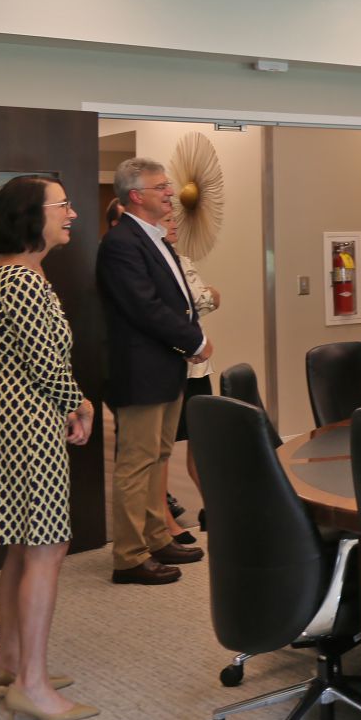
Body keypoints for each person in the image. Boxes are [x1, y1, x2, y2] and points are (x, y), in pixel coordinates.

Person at [0, 176, 99, 720]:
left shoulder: (9, 272)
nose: (71, 213)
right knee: (47, 547)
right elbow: (46, 366)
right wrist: (82, 403)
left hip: (9, 424)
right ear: (32, 214)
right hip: (28, 429)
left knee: (23, 548)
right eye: (62, 205)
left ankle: (7, 660)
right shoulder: (21, 281)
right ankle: (32, 684)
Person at [97, 158, 209, 586]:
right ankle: (128, 556)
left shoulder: (155, 238)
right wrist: (195, 341)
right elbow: (144, 307)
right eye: (161, 187)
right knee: (137, 462)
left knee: (159, 456)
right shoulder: (121, 243)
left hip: (165, 364)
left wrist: (187, 340)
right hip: (139, 369)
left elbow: (176, 300)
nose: (171, 193)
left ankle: (156, 536)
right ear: (135, 196)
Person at [160, 211, 220, 545]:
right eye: (167, 218)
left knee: (201, 440)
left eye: (174, 219)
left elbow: (204, 301)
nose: (174, 224)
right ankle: (166, 520)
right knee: (163, 447)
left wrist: (207, 297)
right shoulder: (153, 264)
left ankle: (212, 506)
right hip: (172, 364)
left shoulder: (183, 261)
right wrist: (207, 296)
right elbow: (198, 300)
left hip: (199, 367)